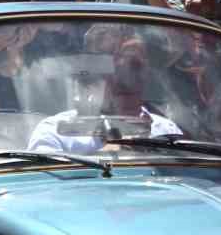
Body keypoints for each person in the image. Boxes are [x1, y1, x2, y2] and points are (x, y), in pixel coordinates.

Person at [28, 34, 183, 152]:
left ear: (148, 74)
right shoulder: (56, 132)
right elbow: (47, 190)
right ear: (96, 76)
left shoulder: (167, 132)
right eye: (114, 67)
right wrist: (112, 153)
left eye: (135, 66)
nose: (126, 78)